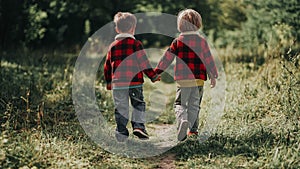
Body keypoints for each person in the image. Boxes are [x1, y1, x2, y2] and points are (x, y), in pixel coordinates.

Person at [155, 9, 218, 141]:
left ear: (180, 25)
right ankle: (193, 131)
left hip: (183, 80)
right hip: (198, 79)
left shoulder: (178, 41)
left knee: (180, 104)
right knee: (194, 105)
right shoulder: (202, 41)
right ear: (198, 24)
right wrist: (213, 75)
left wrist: (157, 72)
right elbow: (208, 60)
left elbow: (167, 58)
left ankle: (182, 120)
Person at [104, 12, 160, 142]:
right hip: (134, 82)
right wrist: (153, 76)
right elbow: (144, 63)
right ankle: (139, 127)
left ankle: (121, 131)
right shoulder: (136, 44)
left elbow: (107, 66)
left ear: (117, 29)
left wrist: (108, 81)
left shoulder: (112, 46)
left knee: (121, 107)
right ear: (133, 28)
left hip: (118, 83)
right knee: (138, 104)